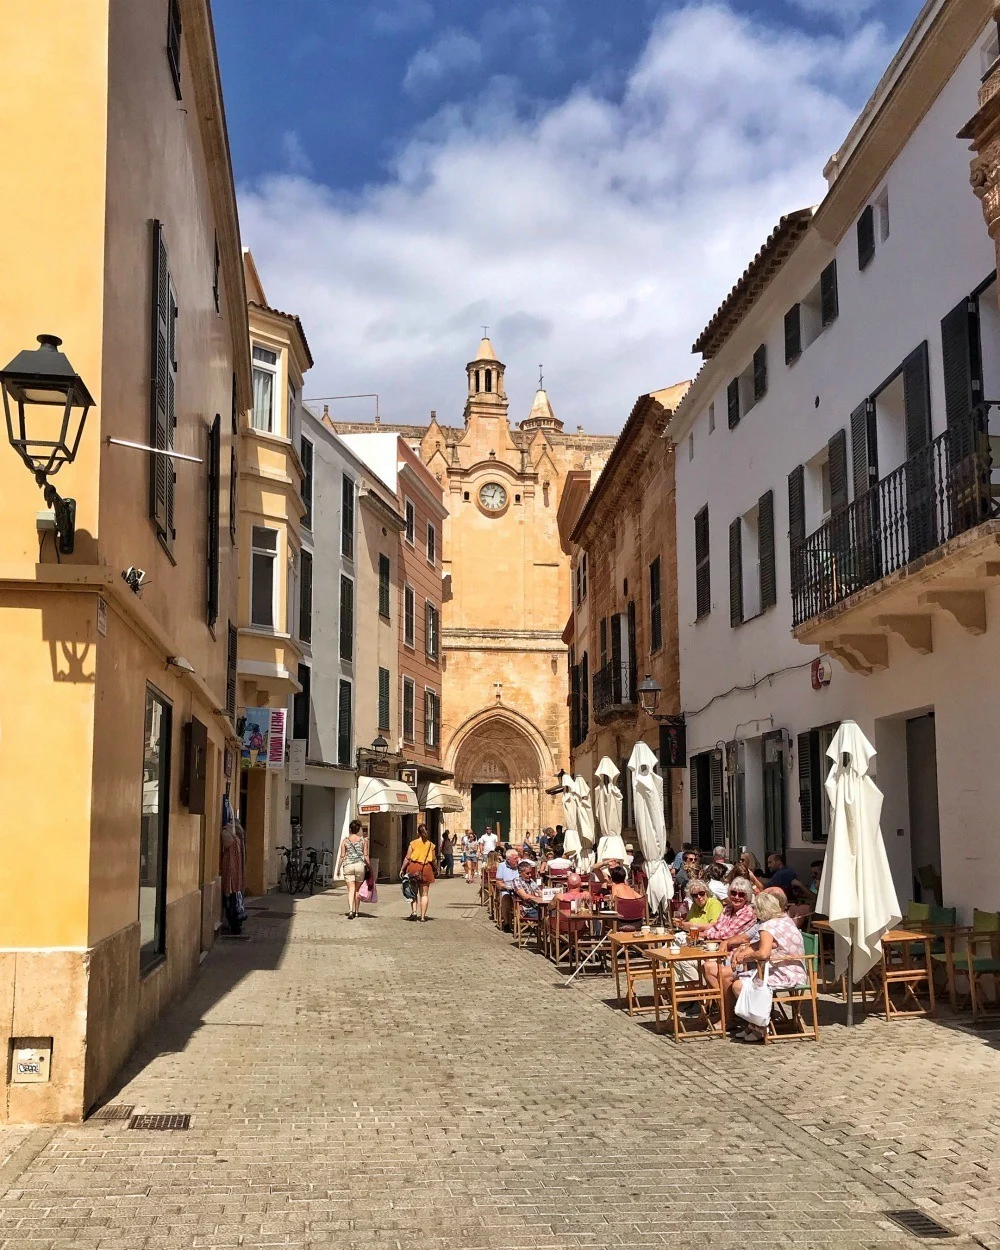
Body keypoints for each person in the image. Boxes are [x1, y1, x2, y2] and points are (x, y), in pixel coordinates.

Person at [726, 888, 808, 1042]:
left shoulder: (767, 926)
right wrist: (743, 951)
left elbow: (763, 953)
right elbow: (762, 945)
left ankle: (759, 1026)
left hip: (784, 975)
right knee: (745, 978)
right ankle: (753, 1025)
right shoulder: (785, 920)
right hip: (796, 971)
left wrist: (745, 957)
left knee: (738, 985)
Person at [402, 823, 437, 922]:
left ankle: (414, 912)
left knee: (413, 892)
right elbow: (434, 859)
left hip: (414, 868)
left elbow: (407, 857)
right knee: (424, 894)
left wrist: (402, 869)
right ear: (427, 831)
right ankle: (422, 917)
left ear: (418, 832)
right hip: (426, 868)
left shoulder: (413, 843)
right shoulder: (431, 845)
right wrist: (436, 868)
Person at [336, 819, 370, 919]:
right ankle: (357, 911)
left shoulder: (345, 841)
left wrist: (338, 869)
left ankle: (350, 910)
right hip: (360, 866)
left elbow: (342, 856)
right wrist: (369, 867)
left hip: (348, 866)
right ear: (359, 829)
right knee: (357, 890)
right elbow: (366, 855)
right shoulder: (363, 840)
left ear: (350, 829)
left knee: (351, 889)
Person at [495, 848, 521, 930]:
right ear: (508, 860)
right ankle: (507, 922)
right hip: (507, 888)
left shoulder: (521, 865)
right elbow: (498, 881)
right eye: (515, 859)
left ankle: (522, 920)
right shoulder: (502, 866)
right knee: (505, 897)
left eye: (518, 858)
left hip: (520, 888)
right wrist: (505, 886)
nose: (518, 860)